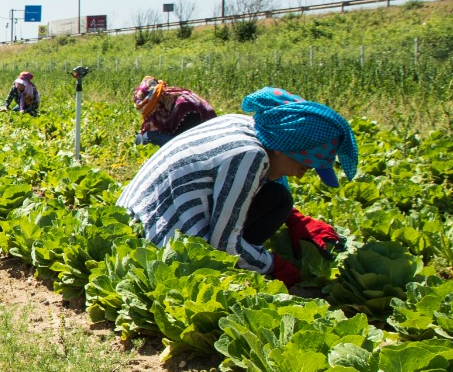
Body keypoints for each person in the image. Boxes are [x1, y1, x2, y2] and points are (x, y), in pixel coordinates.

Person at [117, 86, 350, 287]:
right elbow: (223, 244)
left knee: (278, 198)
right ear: (282, 147)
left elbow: (265, 185)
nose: (299, 175)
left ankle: (245, 260)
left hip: (131, 217)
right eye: (304, 166)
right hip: (151, 239)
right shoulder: (250, 156)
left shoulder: (246, 125)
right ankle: (240, 267)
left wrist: (295, 219)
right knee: (273, 205)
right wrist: (273, 265)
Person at [133, 76, 215, 146]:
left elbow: (189, 140)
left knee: (147, 137)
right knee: (139, 138)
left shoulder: (183, 105)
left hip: (193, 143)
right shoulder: (165, 101)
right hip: (178, 137)